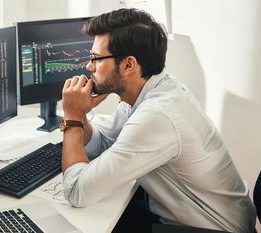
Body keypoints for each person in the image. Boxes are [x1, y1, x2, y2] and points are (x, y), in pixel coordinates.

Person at [60, 8, 256, 233]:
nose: (89, 66)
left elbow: (76, 191)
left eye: (96, 58)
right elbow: (102, 144)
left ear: (128, 65)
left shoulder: (156, 116)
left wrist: (72, 119)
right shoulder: (149, 90)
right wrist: (81, 114)